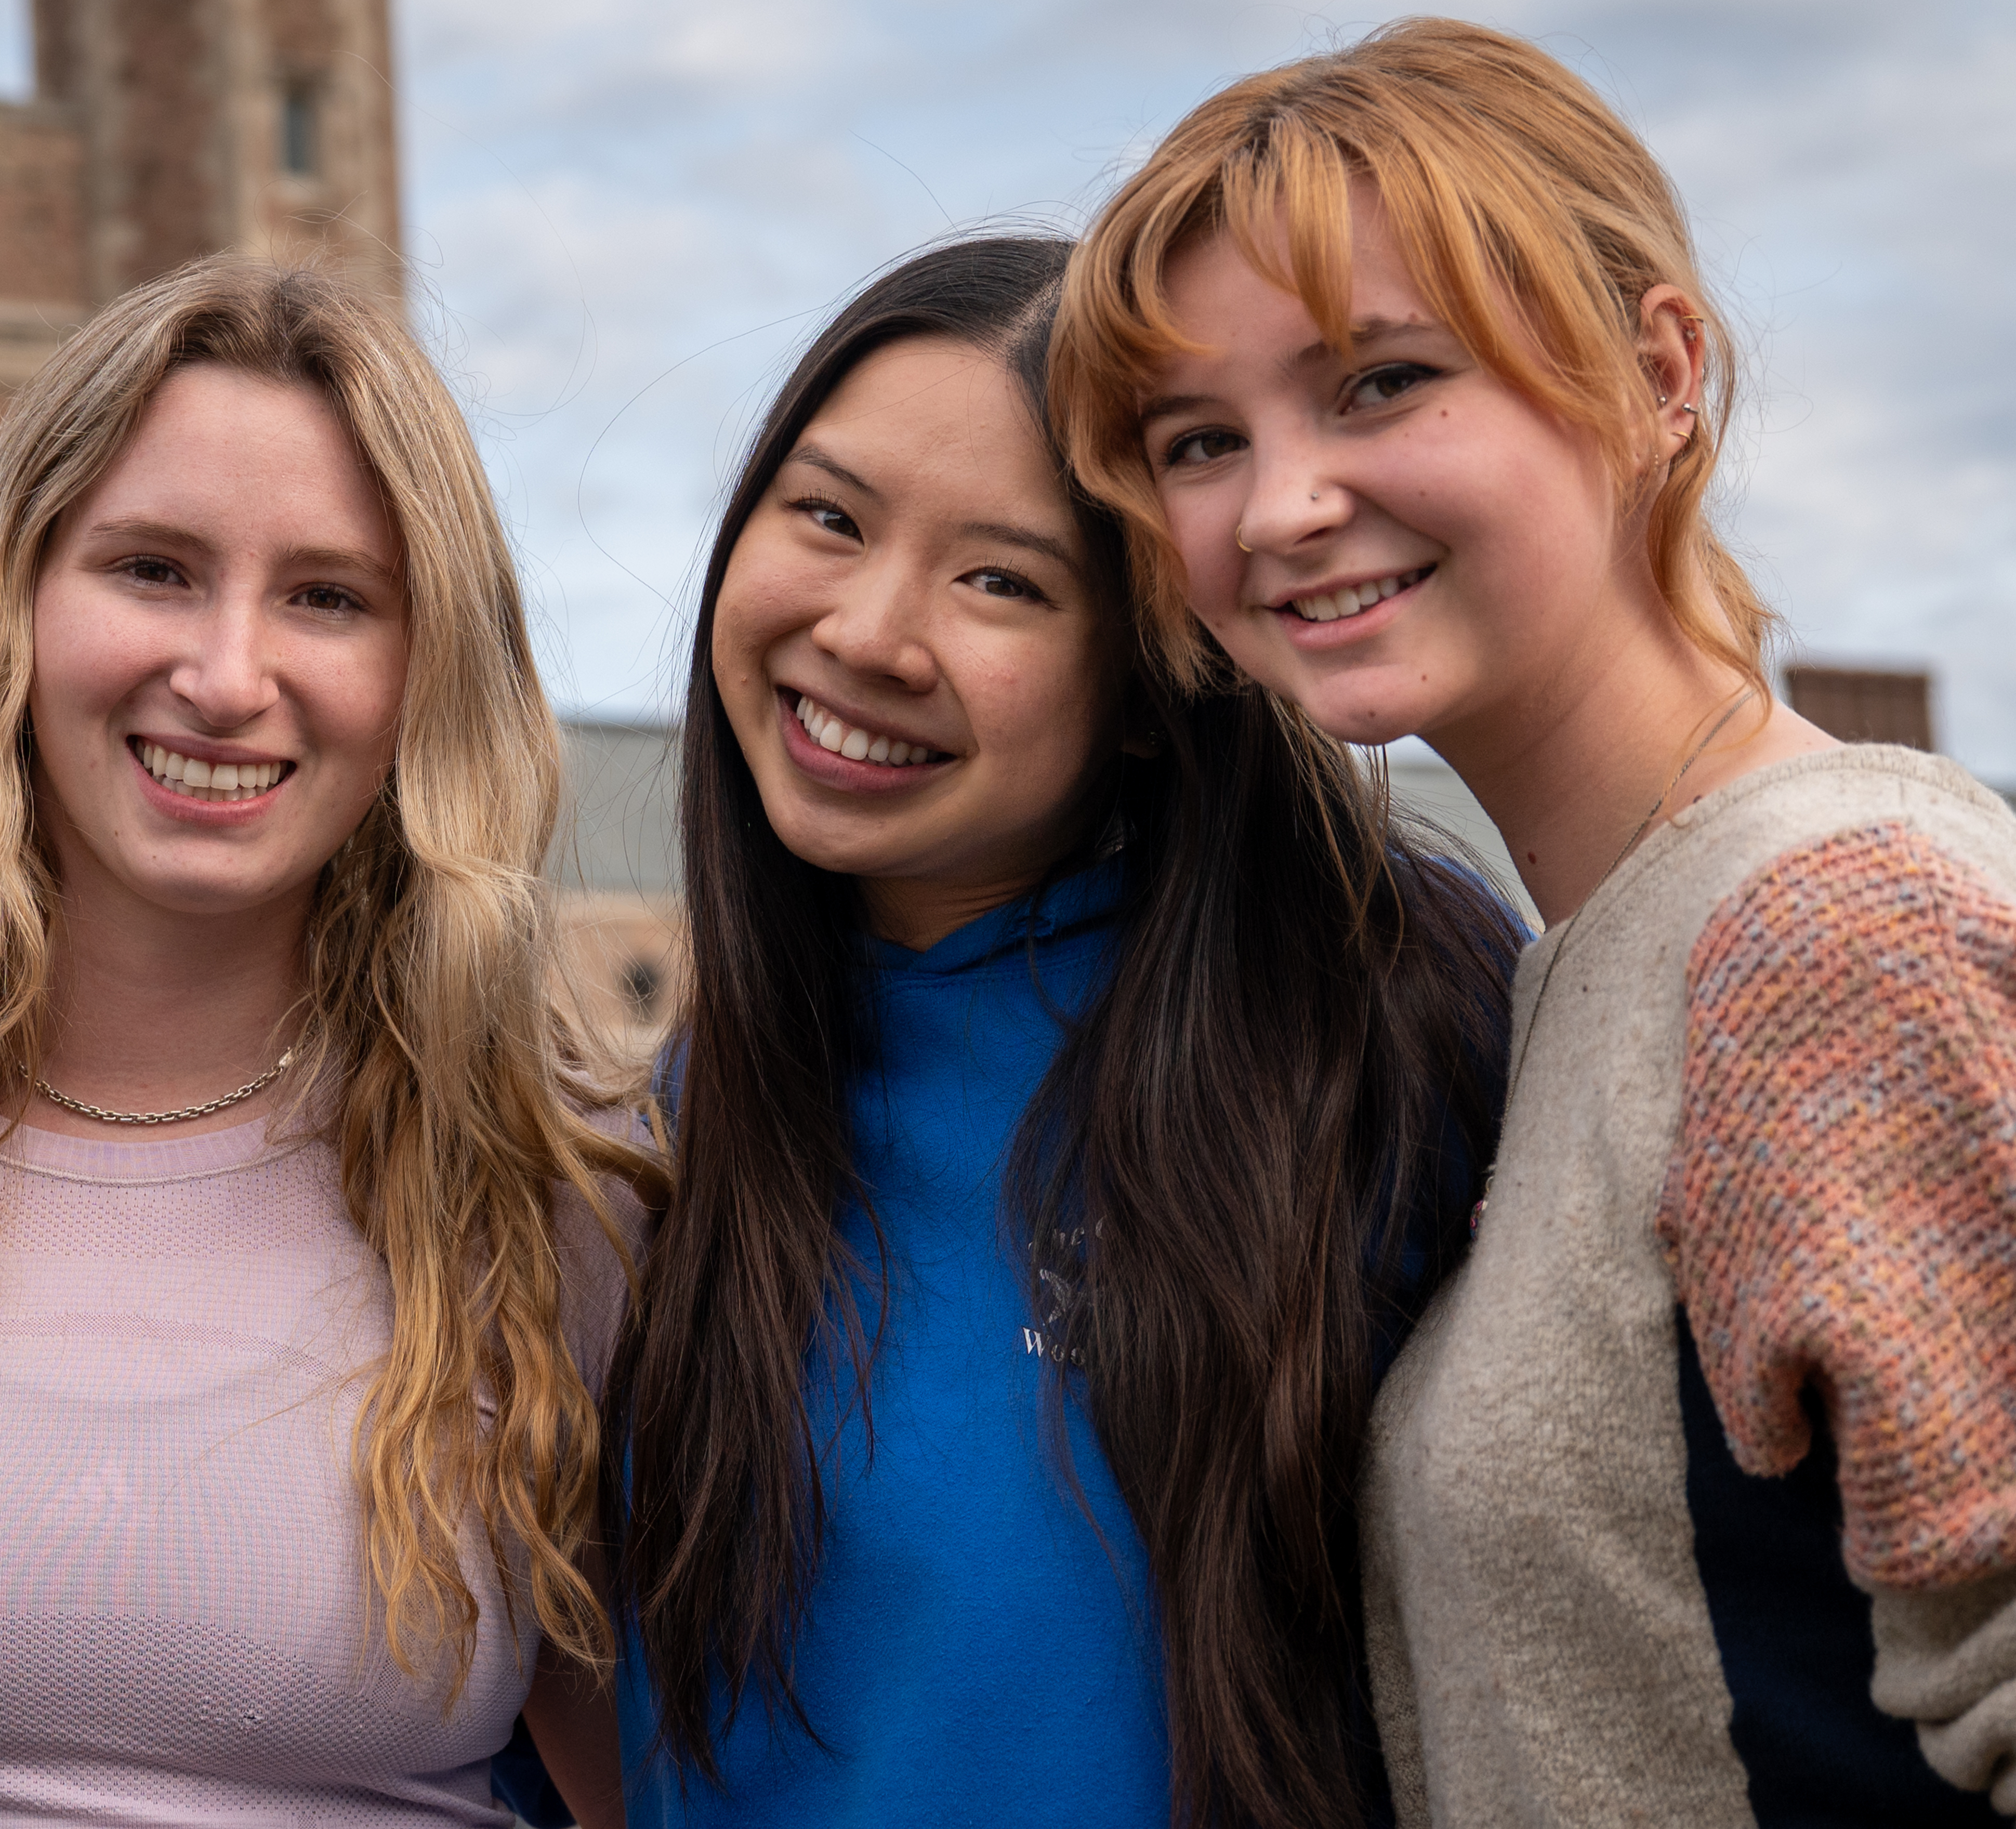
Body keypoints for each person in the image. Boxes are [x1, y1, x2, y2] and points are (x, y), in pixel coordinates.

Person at [1053, 17, 2016, 1823]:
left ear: (1658, 367)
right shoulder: (1599, 956)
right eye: (1200, 438)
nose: (1281, 504)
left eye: (1379, 382)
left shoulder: (1843, 942)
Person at [0, 257, 658, 1826]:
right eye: (151, 569)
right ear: (14, 602)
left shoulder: (557, 1193)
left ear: (425, 674)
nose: (226, 677)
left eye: (329, 597)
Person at [602, 235, 1517, 1829]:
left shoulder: (1380, 1027)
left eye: (1001, 582)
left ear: (1158, 676)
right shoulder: (669, 1123)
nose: (873, 634)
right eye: (826, 517)